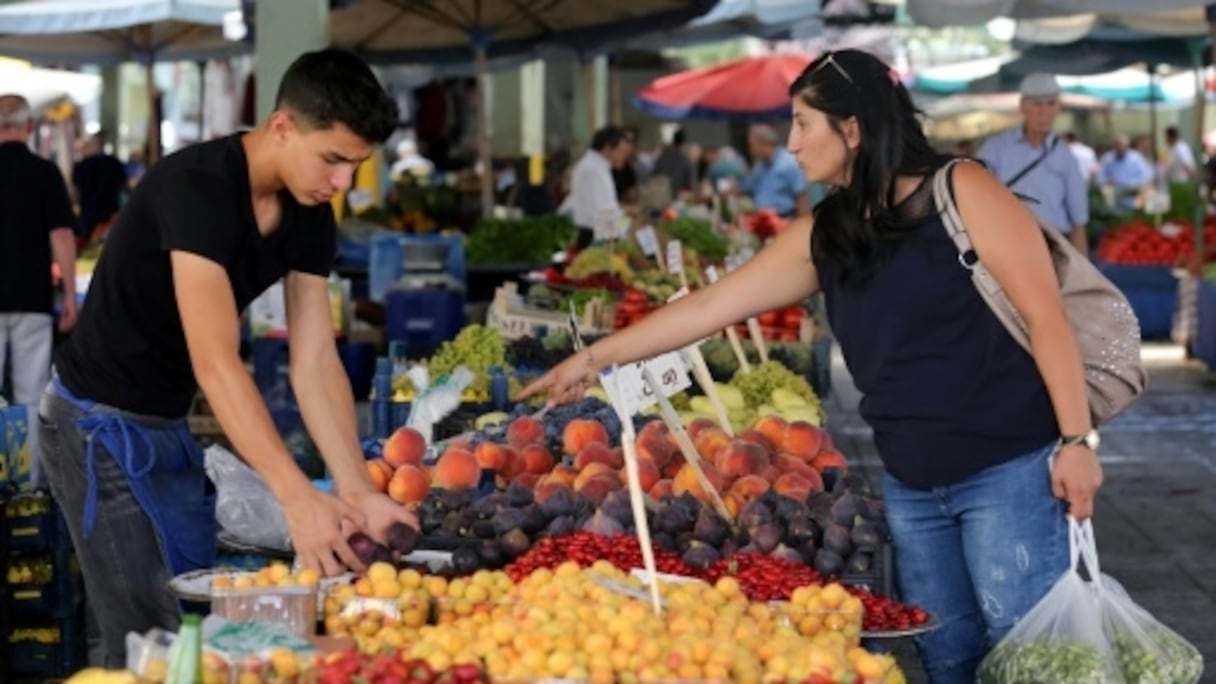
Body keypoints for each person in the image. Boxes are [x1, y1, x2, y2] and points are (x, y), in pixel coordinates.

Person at [522, 49, 1102, 684]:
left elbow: (1047, 316)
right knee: (948, 657)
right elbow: (711, 306)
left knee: (1028, 659)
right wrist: (590, 359)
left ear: (851, 129)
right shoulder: (827, 230)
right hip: (912, 484)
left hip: (1005, 470)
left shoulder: (963, 190)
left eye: (803, 124)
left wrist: (1077, 442)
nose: (792, 144)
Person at [39, 49, 416, 667]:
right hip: (93, 424)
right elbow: (216, 362)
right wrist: (296, 497)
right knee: (142, 631)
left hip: (164, 421)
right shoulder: (199, 188)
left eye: (357, 165)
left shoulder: (310, 207)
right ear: (283, 127)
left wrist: (354, 488)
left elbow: (315, 357)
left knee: (191, 618)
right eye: (335, 159)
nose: (344, 182)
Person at [0, 94, 78, 488]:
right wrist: (68, 295)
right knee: (31, 394)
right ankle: (28, 482)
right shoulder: (45, 173)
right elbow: (62, 236)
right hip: (32, 299)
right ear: (28, 126)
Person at [978, 74, 1089, 254]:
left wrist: (1084, 276)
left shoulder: (1065, 156)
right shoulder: (995, 149)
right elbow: (976, 202)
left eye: (1050, 104)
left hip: (1054, 248)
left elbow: (1078, 222)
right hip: (1006, 248)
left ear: (1059, 107)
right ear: (1022, 106)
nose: (1043, 112)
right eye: (1036, 104)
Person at [560, 125, 632, 248]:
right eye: (621, 152)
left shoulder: (598, 168)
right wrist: (626, 225)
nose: (624, 157)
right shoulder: (593, 171)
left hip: (596, 234)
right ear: (607, 149)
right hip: (590, 238)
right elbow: (601, 217)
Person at [741, 122, 815, 218]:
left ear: (764, 143)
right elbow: (748, 188)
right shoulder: (759, 166)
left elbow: (801, 196)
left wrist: (801, 226)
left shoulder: (789, 163)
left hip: (784, 220)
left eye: (752, 146)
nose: (750, 151)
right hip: (763, 221)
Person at [72, 132, 129, 247]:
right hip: (111, 213)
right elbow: (123, 186)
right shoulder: (114, 163)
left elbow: (76, 191)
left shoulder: (80, 167)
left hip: (88, 214)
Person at [1098, 133, 1153, 213]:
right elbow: (1100, 176)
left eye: (1122, 146)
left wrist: (1132, 184)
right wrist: (1106, 182)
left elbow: (1146, 176)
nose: (1120, 148)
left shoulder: (1136, 158)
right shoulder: (1107, 158)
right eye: (1117, 146)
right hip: (1114, 198)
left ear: (1127, 146)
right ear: (1113, 146)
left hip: (1133, 197)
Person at [651, 127, 696, 197]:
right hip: (677, 198)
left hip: (660, 196)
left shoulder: (662, 158)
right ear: (683, 143)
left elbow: (653, 176)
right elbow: (689, 185)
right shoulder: (685, 161)